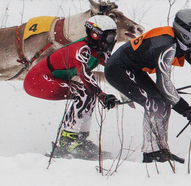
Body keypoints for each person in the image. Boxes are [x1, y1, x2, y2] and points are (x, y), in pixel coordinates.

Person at [103, 5, 191, 164]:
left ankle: (160, 150)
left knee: (163, 102)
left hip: (133, 69)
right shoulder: (167, 44)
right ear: (186, 32)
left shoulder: (183, 43)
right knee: (155, 102)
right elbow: (164, 83)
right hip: (118, 69)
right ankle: (151, 153)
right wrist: (186, 110)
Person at [24, 15, 120, 159]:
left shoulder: (98, 50)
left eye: (112, 38)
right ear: (95, 35)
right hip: (36, 80)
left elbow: (116, 68)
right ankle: (68, 140)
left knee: (88, 93)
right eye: (108, 38)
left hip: (51, 78)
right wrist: (102, 95)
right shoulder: (82, 49)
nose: (110, 42)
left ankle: (80, 138)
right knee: (83, 92)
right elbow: (85, 75)